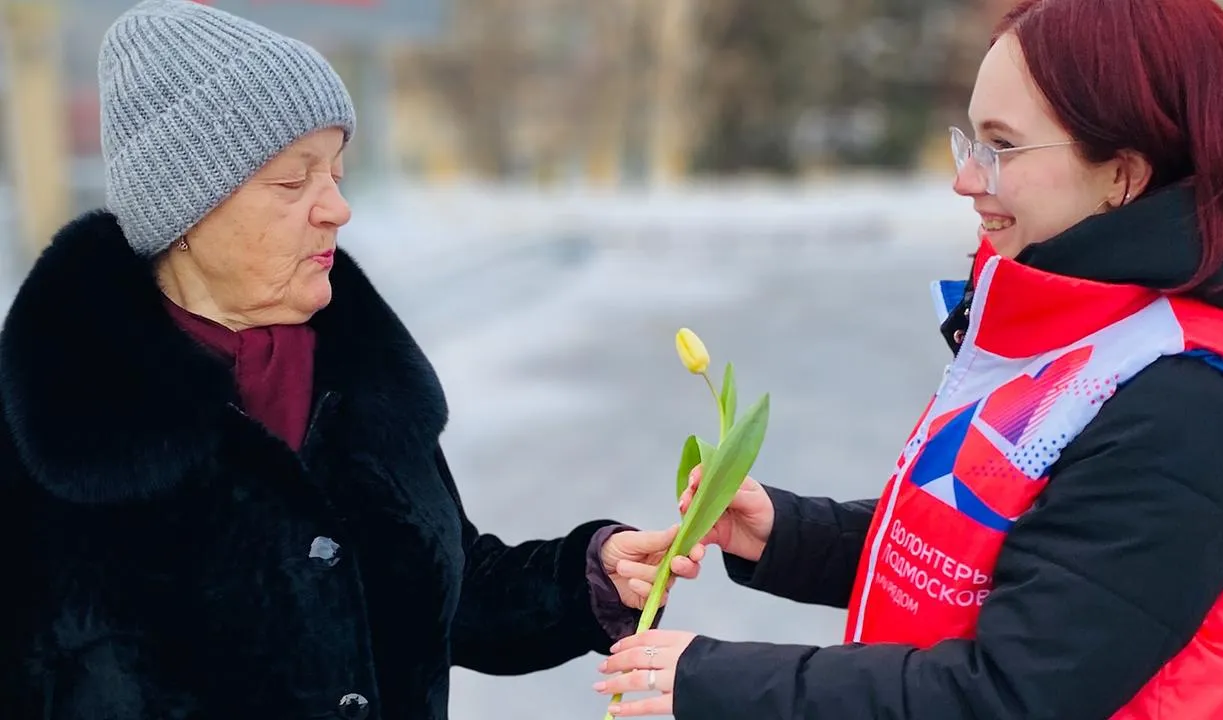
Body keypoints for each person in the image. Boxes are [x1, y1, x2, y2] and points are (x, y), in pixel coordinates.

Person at [0, 1, 706, 718]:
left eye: (336, 173)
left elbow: (445, 587)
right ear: (185, 213)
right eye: (292, 181)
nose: (337, 208)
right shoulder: (54, 424)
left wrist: (580, 579)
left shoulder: (360, 380)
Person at [594, 0, 1223, 717]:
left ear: (1123, 175)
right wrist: (790, 535)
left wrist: (718, 680)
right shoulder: (1080, 329)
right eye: (970, 140)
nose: (966, 179)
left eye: (1002, 147)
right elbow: (996, 556)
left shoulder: (1187, 398)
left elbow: (1017, 693)